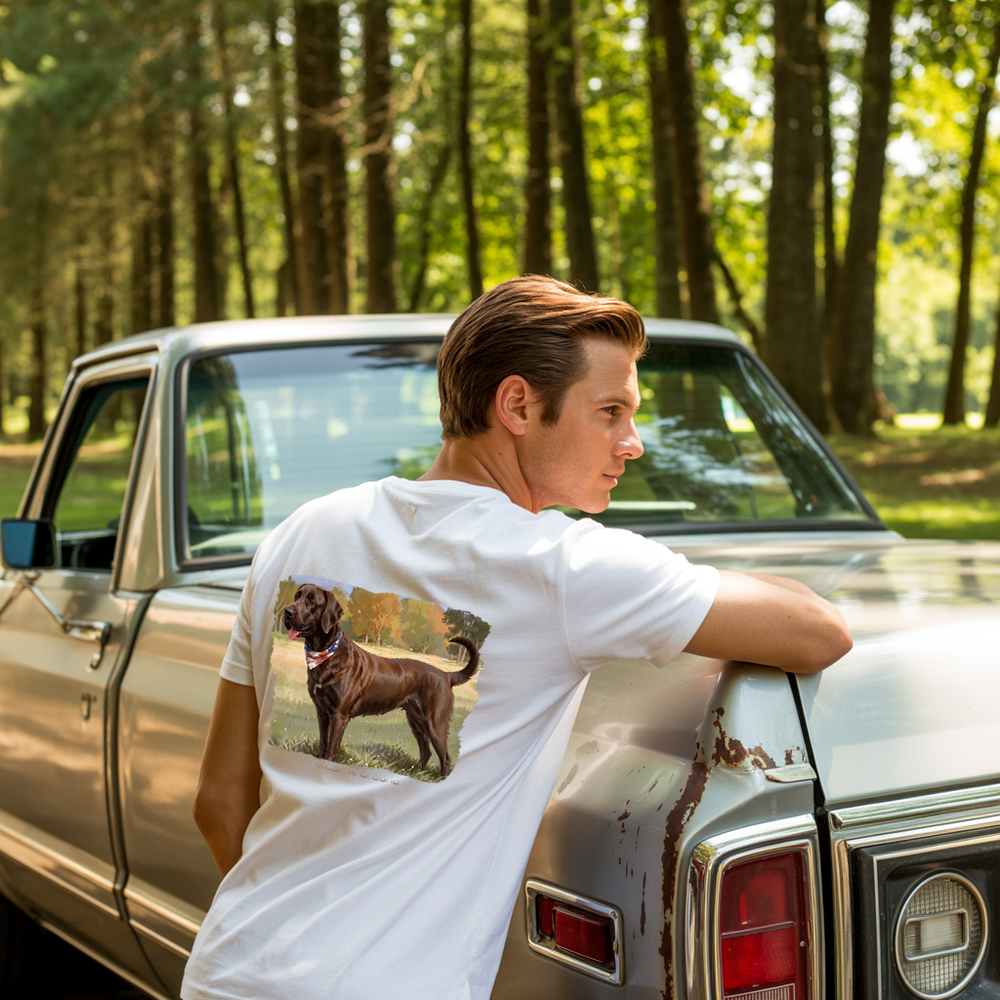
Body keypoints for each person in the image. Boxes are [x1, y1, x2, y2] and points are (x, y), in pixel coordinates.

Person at [182, 275, 852, 1000]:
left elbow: (218, 801)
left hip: (229, 969)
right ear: (519, 405)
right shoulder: (563, 568)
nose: (633, 443)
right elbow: (820, 631)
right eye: (610, 412)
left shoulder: (303, 531)